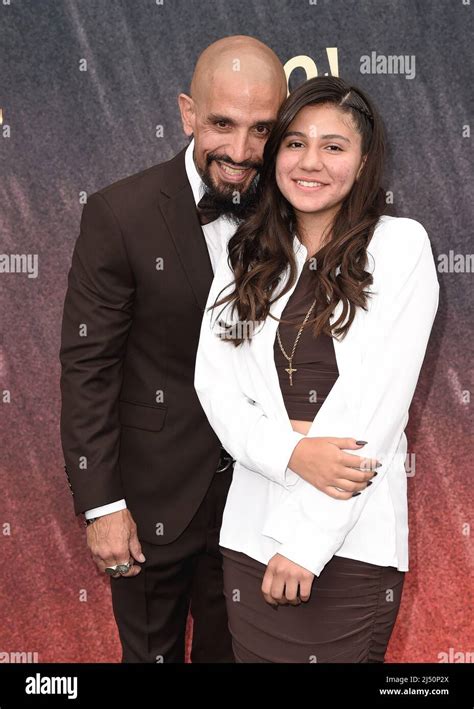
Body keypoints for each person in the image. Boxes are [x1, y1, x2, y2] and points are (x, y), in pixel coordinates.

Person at [59, 34, 290, 663]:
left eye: (262, 130)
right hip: (149, 501)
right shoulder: (120, 212)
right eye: (222, 124)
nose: (241, 152)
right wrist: (102, 504)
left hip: (258, 503)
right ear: (188, 113)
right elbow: (89, 368)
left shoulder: (295, 208)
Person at [194, 75, 440, 663]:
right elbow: (216, 386)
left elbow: (375, 407)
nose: (311, 162)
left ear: (363, 162)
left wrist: (307, 544)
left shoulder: (400, 247)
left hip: (349, 538)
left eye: (334, 146)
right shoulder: (247, 256)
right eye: (295, 143)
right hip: (249, 533)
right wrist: (292, 451)